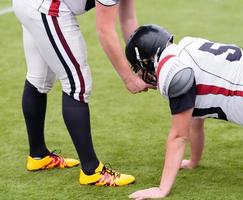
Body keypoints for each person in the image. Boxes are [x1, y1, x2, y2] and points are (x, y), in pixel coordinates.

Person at [125, 24, 243, 199]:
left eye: (139, 69)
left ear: (147, 60)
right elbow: (195, 122)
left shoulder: (173, 70)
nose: (140, 75)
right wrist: (194, 161)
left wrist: (162, 189)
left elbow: (178, 136)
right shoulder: (187, 47)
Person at [12, 0, 152, 187]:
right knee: (77, 84)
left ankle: (39, 155)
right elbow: (105, 31)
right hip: (45, 6)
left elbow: (128, 18)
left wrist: (140, 63)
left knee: (40, 78)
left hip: (29, 4)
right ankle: (91, 170)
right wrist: (129, 78)